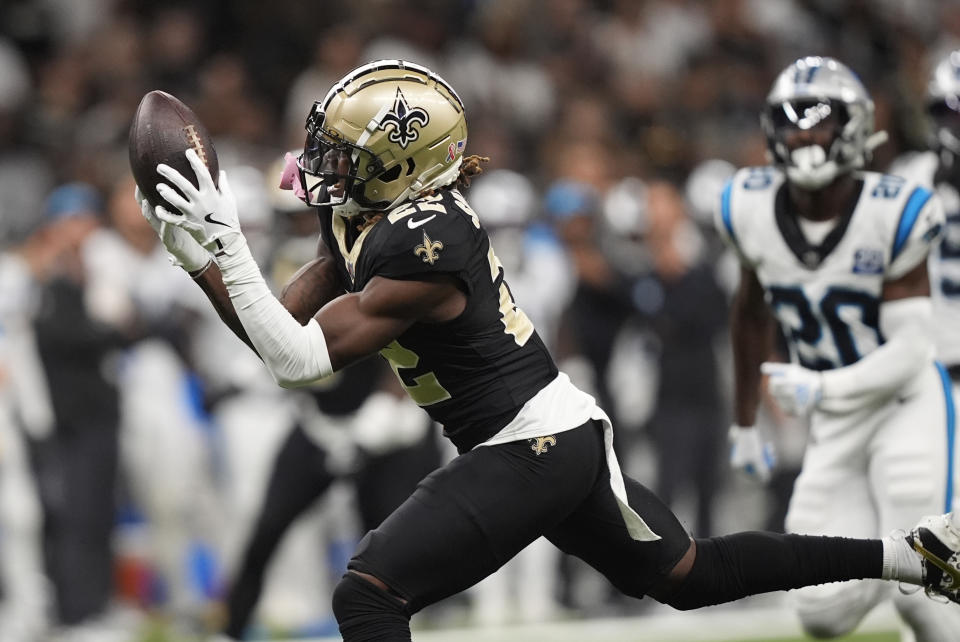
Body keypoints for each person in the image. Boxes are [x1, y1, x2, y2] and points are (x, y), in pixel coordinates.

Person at [141, 60, 960, 642]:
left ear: (400, 167)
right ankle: (914, 556)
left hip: (528, 444)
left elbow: (297, 360)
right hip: (553, 432)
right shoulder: (378, 218)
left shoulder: (425, 239)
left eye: (348, 155)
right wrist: (207, 264)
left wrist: (223, 251)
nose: (326, 166)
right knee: (688, 577)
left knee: (368, 596)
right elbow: (280, 329)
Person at [716, 55, 960, 641]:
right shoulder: (746, 206)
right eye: (792, 119)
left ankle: (921, 594)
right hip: (835, 417)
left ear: (852, 127)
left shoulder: (895, 208)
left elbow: (910, 348)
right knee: (819, 610)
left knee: (923, 591)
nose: (805, 134)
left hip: (906, 401)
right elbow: (750, 313)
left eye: (820, 119)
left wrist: (821, 385)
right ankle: (906, 579)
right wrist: (746, 422)